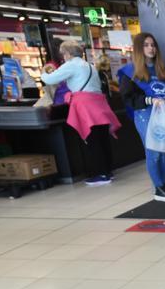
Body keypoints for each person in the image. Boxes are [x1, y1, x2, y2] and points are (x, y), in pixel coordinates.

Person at [42, 39, 120, 186]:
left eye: (63, 54)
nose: (62, 57)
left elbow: (50, 79)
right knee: (102, 138)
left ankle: (100, 174)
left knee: (91, 140)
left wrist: (45, 71)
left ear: (68, 53)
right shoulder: (90, 66)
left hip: (85, 106)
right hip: (99, 105)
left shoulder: (71, 65)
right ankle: (108, 170)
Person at [117, 32, 165, 202]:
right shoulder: (130, 72)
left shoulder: (164, 70)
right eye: (146, 45)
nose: (151, 48)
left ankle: (164, 185)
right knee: (154, 151)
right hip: (145, 115)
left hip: (163, 115)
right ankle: (158, 188)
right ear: (139, 48)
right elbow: (128, 97)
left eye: (153, 45)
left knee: (164, 150)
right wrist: (149, 100)